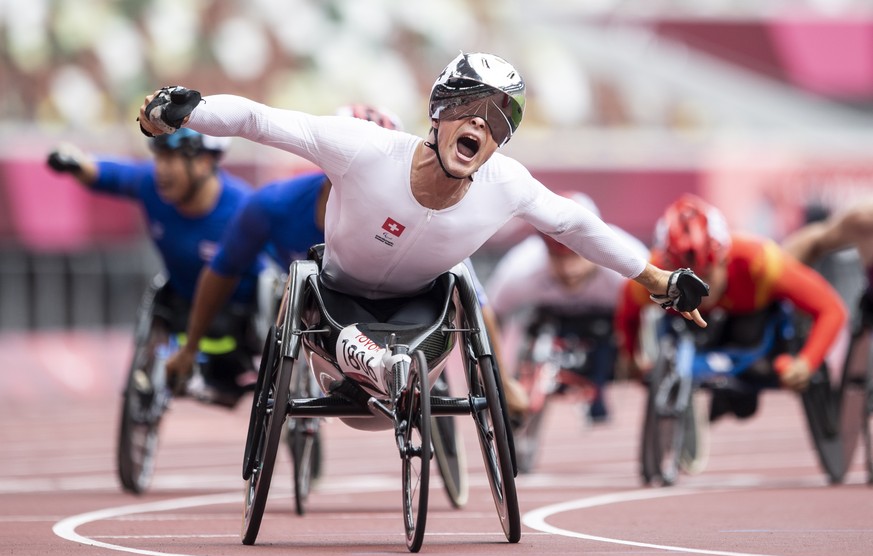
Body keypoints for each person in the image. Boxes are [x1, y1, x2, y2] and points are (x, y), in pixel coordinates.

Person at [138, 52, 709, 392]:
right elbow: (263, 121)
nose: (481, 126)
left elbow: (577, 226)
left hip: (421, 323)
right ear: (438, 112)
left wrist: (659, 281)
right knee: (310, 285)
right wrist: (188, 110)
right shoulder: (364, 148)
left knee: (461, 281)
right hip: (332, 305)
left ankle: (388, 366)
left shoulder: (506, 183)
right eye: (469, 109)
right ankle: (369, 361)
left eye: (499, 120)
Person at [46, 129, 263, 407]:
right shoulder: (151, 185)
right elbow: (106, 174)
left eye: (172, 159)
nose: (161, 170)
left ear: (205, 163)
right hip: (182, 306)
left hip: (242, 317)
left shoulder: (243, 209)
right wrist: (72, 160)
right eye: (159, 158)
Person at [615, 194, 847, 420]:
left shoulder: (761, 262)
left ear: (725, 259)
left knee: (753, 343)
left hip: (754, 329)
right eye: (685, 280)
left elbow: (831, 309)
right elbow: (628, 314)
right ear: (667, 271)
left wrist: (806, 363)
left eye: (706, 275)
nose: (699, 289)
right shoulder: (651, 276)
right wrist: (631, 357)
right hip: (690, 330)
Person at [486, 191, 649, 424]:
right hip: (551, 322)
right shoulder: (521, 267)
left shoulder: (625, 260)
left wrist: (640, 356)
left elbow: (651, 310)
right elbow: (491, 315)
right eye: (558, 258)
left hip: (610, 327)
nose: (568, 271)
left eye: (575, 257)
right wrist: (496, 373)